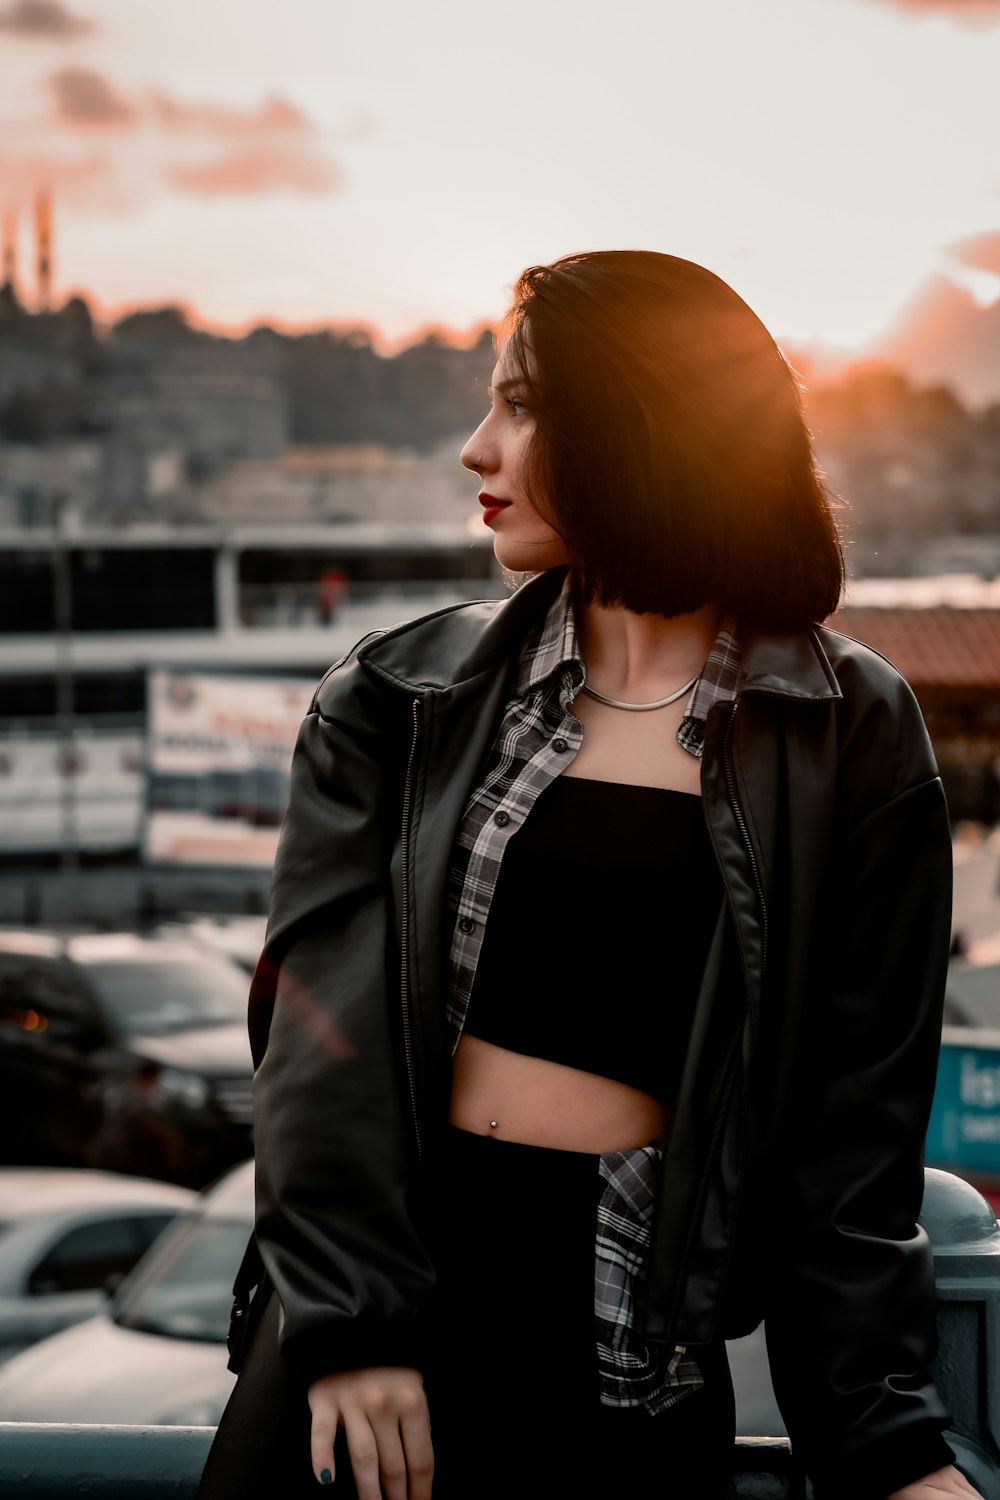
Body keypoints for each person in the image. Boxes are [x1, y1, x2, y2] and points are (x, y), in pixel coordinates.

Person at [198, 251, 977, 1500]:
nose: (475, 450)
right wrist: (349, 1329)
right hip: (373, 1345)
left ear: (636, 428)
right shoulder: (397, 697)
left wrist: (887, 1446)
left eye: (519, 405)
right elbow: (314, 1043)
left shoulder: (849, 728)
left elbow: (852, 1140)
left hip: (628, 1350)